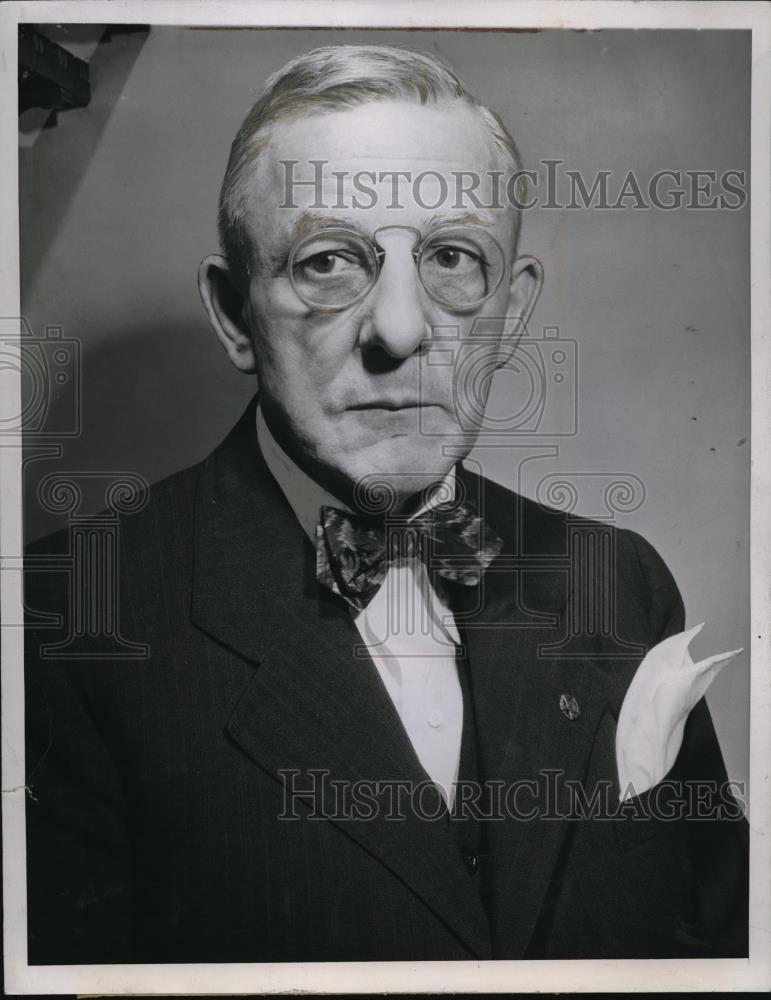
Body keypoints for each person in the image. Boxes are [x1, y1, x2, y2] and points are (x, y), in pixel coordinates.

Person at [24, 44, 748, 964]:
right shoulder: (59, 621)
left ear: (512, 310)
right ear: (233, 313)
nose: (400, 331)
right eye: (327, 262)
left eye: (452, 257)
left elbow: (720, 946)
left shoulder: (617, 579)